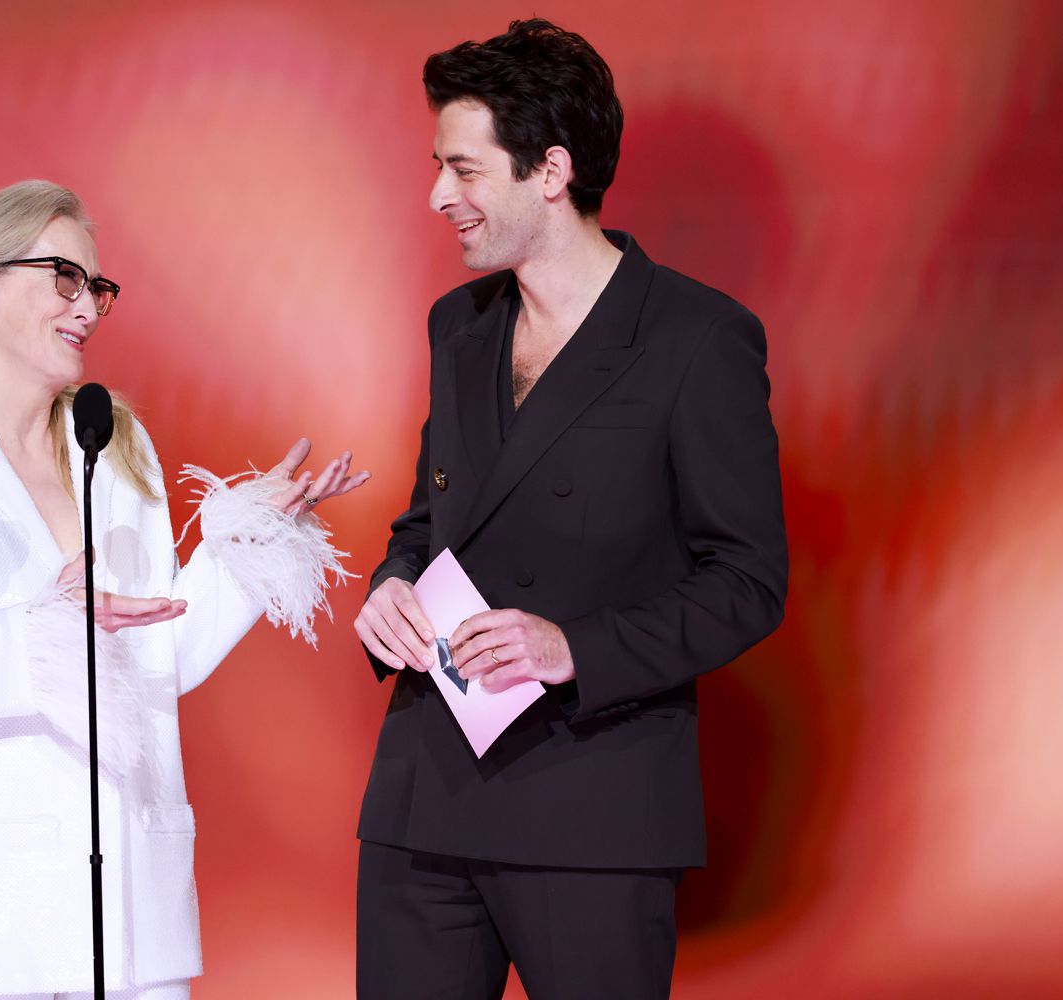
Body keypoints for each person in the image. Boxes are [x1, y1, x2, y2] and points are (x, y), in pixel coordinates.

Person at [0, 179, 367, 1000]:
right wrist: (42, 636)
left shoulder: (115, 449)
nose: (87, 305)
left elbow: (161, 657)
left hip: (124, 915)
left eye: (96, 288)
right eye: (64, 277)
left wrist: (254, 538)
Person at [352, 19, 788, 999]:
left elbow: (751, 581)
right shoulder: (457, 327)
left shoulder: (698, 338)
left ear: (549, 171)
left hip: (595, 806)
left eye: (463, 170)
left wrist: (572, 647)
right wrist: (391, 586)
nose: (437, 196)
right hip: (425, 798)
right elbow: (431, 521)